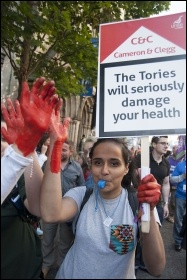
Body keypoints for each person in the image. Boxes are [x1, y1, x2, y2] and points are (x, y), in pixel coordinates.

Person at [40, 112, 166, 279]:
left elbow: (156, 268)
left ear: (126, 168)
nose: (105, 171)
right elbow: (50, 214)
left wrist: (149, 211)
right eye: (98, 162)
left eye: (114, 163)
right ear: (90, 166)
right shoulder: (81, 195)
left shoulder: (138, 203)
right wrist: (55, 148)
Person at [1, 77, 59, 279]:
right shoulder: (11, 163)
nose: (3, 142)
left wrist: (30, 150)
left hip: (27, 267)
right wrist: (21, 149)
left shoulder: (14, 163)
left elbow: (37, 207)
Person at [42, 139, 85, 278]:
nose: (61, 152)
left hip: (68, 210)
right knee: (47, 239)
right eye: (59, 149)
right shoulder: (47, 164)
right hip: (50, 208)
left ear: (71, 152)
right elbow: (40, 183)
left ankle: (62, 266)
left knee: (65, 241)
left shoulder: (77, 167)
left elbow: (82, 187)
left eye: (64, 150)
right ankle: (46, 264)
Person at [170, 157, 186, 251]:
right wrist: (182, 176)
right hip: (180, 196)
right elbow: (172, 180)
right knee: (179, 220)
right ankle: (178, 241)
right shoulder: (180, 165)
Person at [167, 144, 181, 223]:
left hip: (176, 183)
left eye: (178, 148)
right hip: (167, 182)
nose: (176, 149)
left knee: (173, 201)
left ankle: (171, 215)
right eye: (175, 148)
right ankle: (168, 213)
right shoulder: (168, 159)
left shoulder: (181, 160)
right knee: (165, 199)